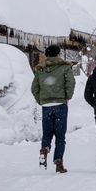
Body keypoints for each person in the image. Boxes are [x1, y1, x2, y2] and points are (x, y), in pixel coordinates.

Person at [32, 44, 76, 173]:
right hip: (60, 104)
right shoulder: (65, 67)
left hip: (46, 106)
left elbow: (34, 88)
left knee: (47, 133)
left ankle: (44, 150)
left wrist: (41, 100)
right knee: (60, 136)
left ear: (46, 55)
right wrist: (67, 96)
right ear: (58, 54)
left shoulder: (40, 70)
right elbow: (70, 83)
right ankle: (58, 163)